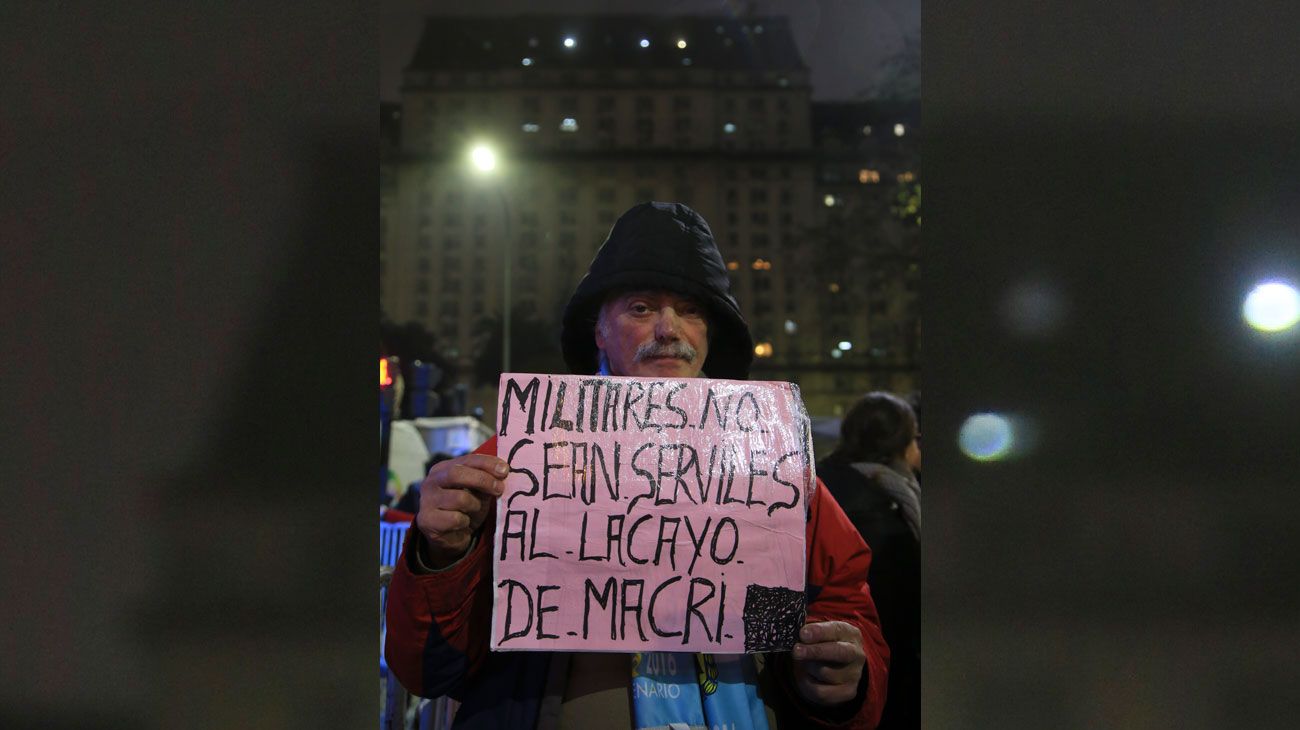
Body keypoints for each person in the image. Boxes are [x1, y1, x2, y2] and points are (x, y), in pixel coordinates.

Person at [385, 202, 890, 729]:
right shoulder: (520, 462)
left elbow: (840, 600)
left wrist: (838, 672)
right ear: (599, 331)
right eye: (642, 307)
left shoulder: (776, 468)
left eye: (692, 310)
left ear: (710, 335)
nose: (669, 329)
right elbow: (426, 669)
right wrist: (440, 556)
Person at [816, 393, 921, 730]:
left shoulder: (819, 482)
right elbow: (899, 612)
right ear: (900, 445)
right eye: (915, 438)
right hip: (881, 677)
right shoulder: (888, 507)